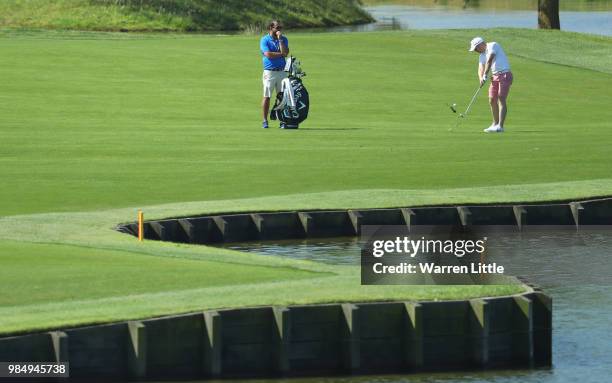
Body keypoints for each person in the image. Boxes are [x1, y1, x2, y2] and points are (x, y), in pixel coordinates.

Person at [469, 37, 513, 133]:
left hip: (504, 74)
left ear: (481, 44)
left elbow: (490, 60)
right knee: (492, 99)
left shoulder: (493, 45)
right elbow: (481, 67)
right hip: (495, 77)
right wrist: (481, 78)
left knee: (501, 98)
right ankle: (494, 124)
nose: (476, 51)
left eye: (476, 48)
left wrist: (485, 74)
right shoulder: (481, 55)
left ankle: (500, 126)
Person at [260, 20, 289, 129]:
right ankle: (264, 120)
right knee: (267, 96)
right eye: (277, 27)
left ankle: (282, 120)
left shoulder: (283, 39)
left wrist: (280, 39)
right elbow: (268, 54)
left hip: (281, 71)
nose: (279, 29)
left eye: (280, 27)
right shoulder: (265, 40)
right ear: (271, 27)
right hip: (269, 72)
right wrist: (281, 54)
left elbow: (285, 53)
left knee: (282, 97)